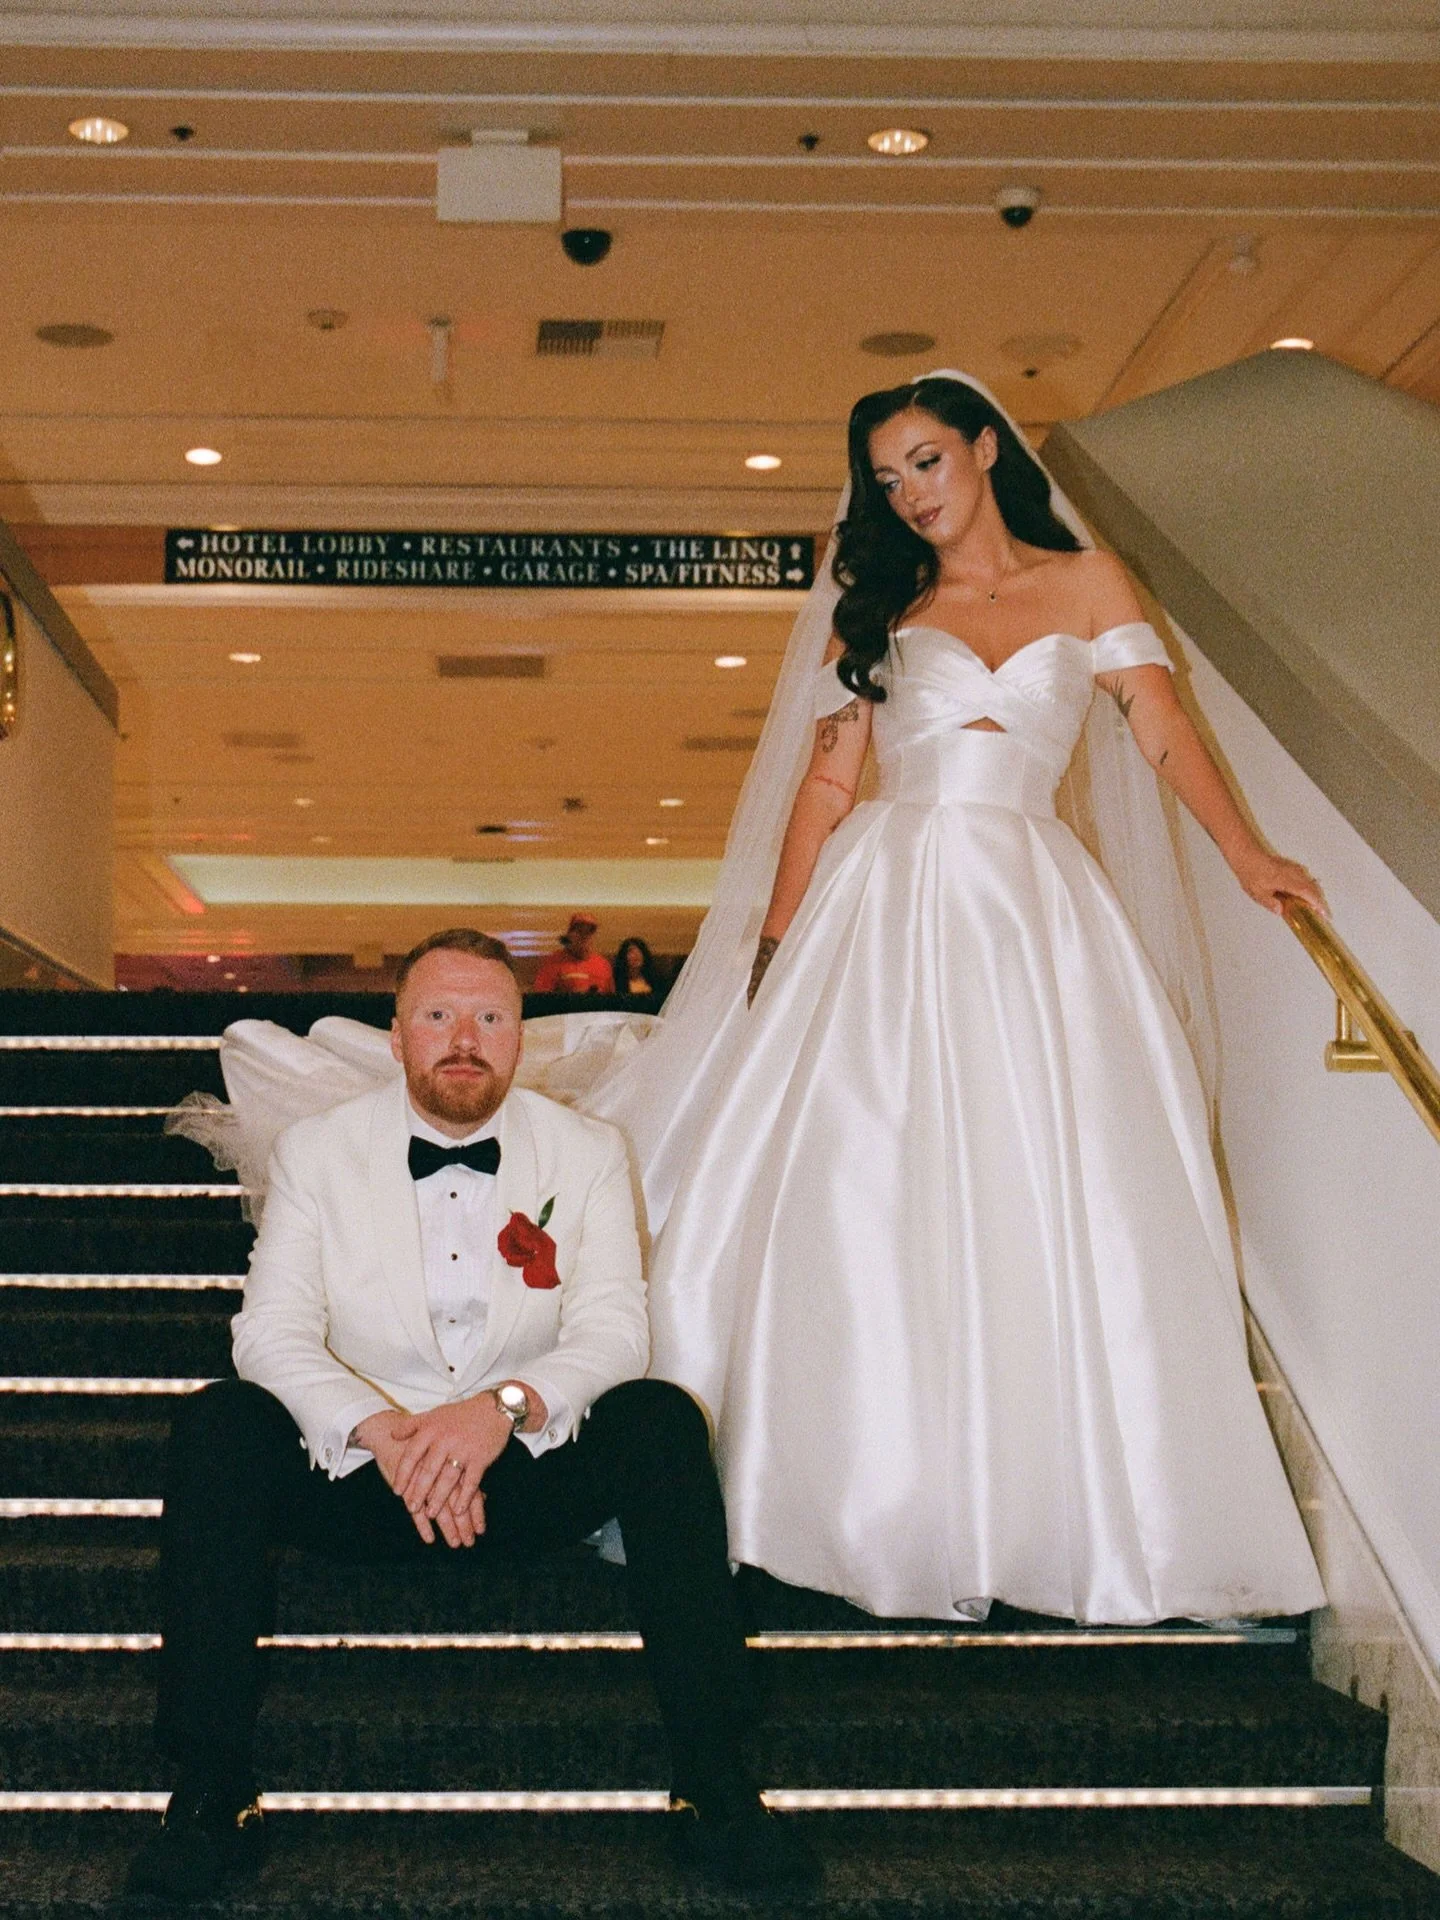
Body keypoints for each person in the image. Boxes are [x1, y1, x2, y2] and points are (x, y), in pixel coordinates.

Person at [585, 372, 1327, 1626]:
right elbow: (827, 789)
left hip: (1033, 908)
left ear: (985, 448)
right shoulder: (885, 609)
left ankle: (1068, 1508)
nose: (910, 495)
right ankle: (834, 1494)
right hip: (885, 903)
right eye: (888, 479)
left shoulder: (1089, 588)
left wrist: (1247, 853)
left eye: (926, 462)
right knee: (864, 1187)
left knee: (1052, 1181)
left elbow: (1156, 728)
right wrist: (771, 945)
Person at [127, 929, 817, 1900]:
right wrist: (382, 1429)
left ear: (519, 1037)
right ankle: (209, 1793)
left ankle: (716, 1788)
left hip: (520, 1478)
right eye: (440, 1016)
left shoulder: (584, 1150)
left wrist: (497, 1411)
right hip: (364, 1482)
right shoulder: (317, 1152)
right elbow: (271, 1333)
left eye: (490, 1017)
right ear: (400, 1034)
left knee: (657, 1419)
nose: (465, 1037)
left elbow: (614, 1329)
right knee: (219, 1425)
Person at [533, 912, 616, 996]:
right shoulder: (553, 962)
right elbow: (541, 997)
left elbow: (611, 999)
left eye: (589, 932)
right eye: (580, 931)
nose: (584, 936)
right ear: (569, 935)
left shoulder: (603, 965)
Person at [614, 935, 662, 1002]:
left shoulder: (656, 979)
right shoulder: (617, 981)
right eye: (631, 952)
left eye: (639, 951)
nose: (636, 955)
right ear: (624, 956)